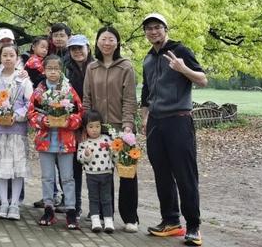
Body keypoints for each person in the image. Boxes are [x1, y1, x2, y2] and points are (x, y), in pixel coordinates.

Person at [141, 13, 207, 246]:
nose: (153, 31)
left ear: (165, 29)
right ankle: (170, 221)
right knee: (162, 174)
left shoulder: (181, 51)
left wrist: (182, 69)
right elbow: (146, 93)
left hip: (179, 120)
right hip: (156, 123)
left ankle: (194, 227)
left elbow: (202, 80)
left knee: (185, 174)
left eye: (157, 27)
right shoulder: (148, 59)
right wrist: (145, 118)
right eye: (148, 28)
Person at [82, 26, 139, 232]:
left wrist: (127, 126)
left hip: (120, 128)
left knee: (127, 173)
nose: (107, 43)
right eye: (103, 39)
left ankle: (131, 218)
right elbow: (86, 98)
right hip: (97, 129)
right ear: (97, 42)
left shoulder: (125, 67)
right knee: (102, 175)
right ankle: (107, 217)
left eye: (111, 39)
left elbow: (130, 99)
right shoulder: (92, 67)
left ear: (117, 43)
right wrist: (87, 127)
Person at [28, 54, 83, 228]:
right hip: (45, 139)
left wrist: (69, 121)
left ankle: (71, 210)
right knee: (47, 177)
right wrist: (42, 121)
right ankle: (49, 208)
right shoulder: (39, 90)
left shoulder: (68, 89)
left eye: (56, 69)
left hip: (65, 140)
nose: (53, 72)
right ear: (44, 70)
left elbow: (78, 111)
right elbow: (31, 113)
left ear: (61, 70)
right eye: (49, 68)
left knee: (68, 177)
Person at [0, 45, 32, 220]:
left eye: (12, 55)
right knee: (0, 167)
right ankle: (4, 203)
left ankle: (14, 205)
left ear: (17, 57)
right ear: (0, 57)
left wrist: (17, 116)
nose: (8, 58)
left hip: (17, 131)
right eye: (5, 55)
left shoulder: (23, 80)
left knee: (17, 169)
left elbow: (29, 103)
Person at [64, 34, 94, 218]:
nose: (77, 52)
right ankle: (74, 206)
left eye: (80, 48)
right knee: (73, 168)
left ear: (88, 49)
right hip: (72, 124)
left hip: (93, 123)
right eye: (73, 49)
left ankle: (97, 210)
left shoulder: (96, 67)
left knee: (95, 168)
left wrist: (88, 124)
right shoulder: (66, 69)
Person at [77, 109, 115, 233]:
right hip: (91, 175)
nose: (94, 129)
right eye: (91, 126)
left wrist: (116, 152)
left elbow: (114, 156)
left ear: (101, 126)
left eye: (97, 126)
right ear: (85, 128)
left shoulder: (107, 140)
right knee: (93, 198)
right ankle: (95, 220)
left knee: (106, 198)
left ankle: (108, 221)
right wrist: (86, 154)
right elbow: (80, 158)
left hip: (106, 174)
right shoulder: (84, 142)